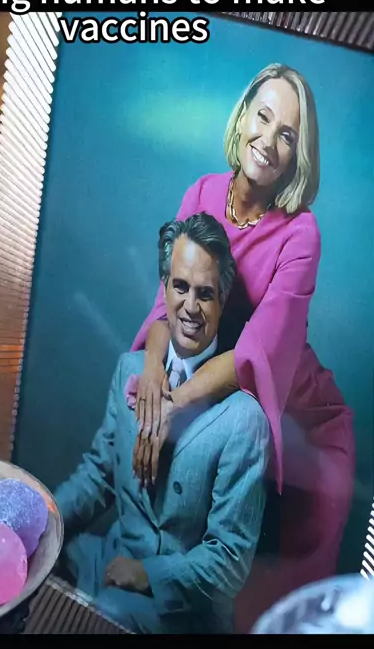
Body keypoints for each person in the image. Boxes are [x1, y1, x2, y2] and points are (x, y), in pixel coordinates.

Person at [131, 62, 355, 600]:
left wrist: (173, 404)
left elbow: (259, 352)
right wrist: (153, 375)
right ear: (244, 115)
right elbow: (164, 307)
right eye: (264, 117)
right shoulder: (201, 192)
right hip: (215, 394)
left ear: (298, 155)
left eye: (288, 135)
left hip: (296, 421)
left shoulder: (302, 233)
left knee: (261, 603)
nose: (269, 141)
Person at [54, 213, 270, 634]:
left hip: (181, 608)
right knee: (35, 559)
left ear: (223, 300)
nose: (190, 306)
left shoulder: (245, 422)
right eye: (181, 287)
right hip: (109, 559)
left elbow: (228, 561)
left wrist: (147, 575)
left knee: (107, 614)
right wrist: (45, 523)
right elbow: (99, 474)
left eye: (205, 294)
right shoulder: (131, 369)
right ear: (165, 287)